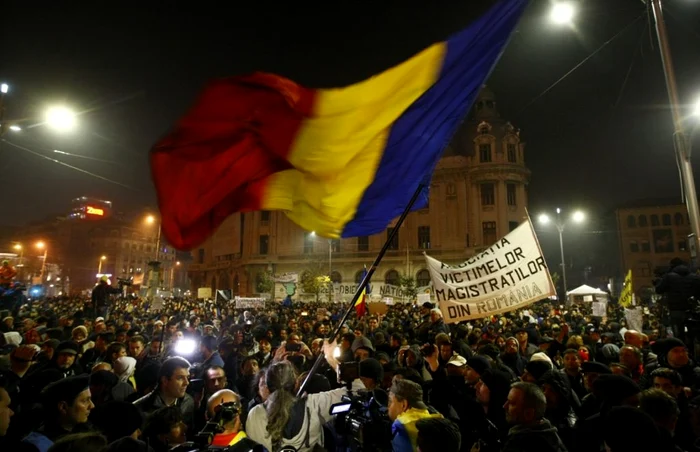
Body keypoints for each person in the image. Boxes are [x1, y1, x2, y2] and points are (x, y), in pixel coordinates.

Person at [245, 345, 364, 452]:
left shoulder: (254, 414)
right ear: (297, 383)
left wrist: (275, 362)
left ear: (268, 386)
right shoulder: (314, 405)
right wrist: (331, 358)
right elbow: (359, 389)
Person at [502, 382, 567, 452]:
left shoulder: (521, 445)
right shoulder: (551, 434)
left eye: (512, 403)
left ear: (529, 413)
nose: (504, 406)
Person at [388, 379, 443, 452]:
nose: (388, 406)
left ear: (403, 405)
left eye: (390, 401)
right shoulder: (439, 422)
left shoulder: (401, 429)